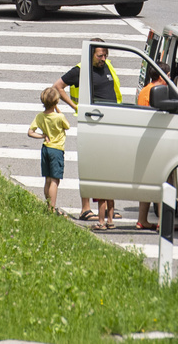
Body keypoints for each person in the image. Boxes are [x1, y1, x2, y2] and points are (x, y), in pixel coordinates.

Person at [53, 39, 123, 222]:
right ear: (90, 54)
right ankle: (86, 209)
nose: (103, 59)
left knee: (108, 165)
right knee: (91, 165)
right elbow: (57, 87)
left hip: (110, 121)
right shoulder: (80, 69)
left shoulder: (107, 66)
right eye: (100, 55)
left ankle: (108, 210)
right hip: (93, 122)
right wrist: (76, 106)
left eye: (106, 55)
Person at [136, 60, 171, 231]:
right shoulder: (158, 91)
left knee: (148, 181)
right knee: (161, 181)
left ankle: (142, 219)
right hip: (156, 140)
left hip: (145, 140)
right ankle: (162, 223)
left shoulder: (145, 90)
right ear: (162, 76)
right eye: (169, 75)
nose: (170, 78)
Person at [27, 87, 71, 215]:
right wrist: (58, 109)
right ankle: (51, 209)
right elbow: (67, 126)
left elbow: (30, 132)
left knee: (47, 179)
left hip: (45, 148)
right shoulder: (59, 117)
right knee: (55, 180)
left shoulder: (40, 116)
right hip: (56, 150)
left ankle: (47, 205)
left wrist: (42, 135)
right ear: (56, 102)